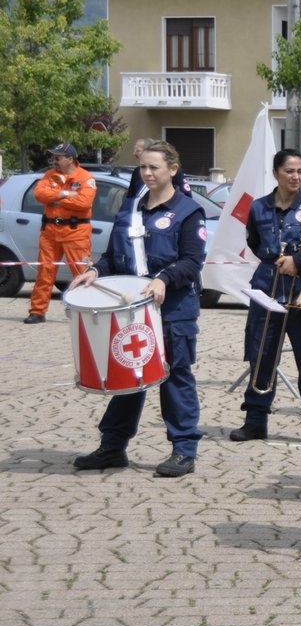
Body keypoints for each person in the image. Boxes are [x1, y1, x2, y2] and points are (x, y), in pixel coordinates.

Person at [70, 141, 206, 478]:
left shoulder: (189, 211)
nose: (146, 173)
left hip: (172, 309)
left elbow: (192, 261)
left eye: (153, 167)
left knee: (175, 378)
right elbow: (114, 256)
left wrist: (165, 279)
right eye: (143, 167)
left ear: (172, 170)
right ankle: (113, 447)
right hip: (131, 307)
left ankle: (183, 450)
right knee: (128, 375)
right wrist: (95, 271)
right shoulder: (130, 208)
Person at [230, 149, 301, 446]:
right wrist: (275, 261)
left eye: (300, 171)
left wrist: (298, 262)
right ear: (276, 172)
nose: (296, 177)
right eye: (290, 171)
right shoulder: (259, 208)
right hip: (267, 291)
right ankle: (255, 421)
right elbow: (254, 242)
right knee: (260, 354)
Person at [26, 142, 97, 324]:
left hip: (76, 232)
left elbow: (84, 203)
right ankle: (37, 311)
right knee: (44, 272)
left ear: (70, 159)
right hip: (50, 231)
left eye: (58, 158)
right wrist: (66, 194)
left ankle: (90, 311)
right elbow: (40, 195)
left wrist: (56, 197)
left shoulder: (85, 177)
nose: (54, 161)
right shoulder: (50, 175)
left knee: (82, 273)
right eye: (53, 157)